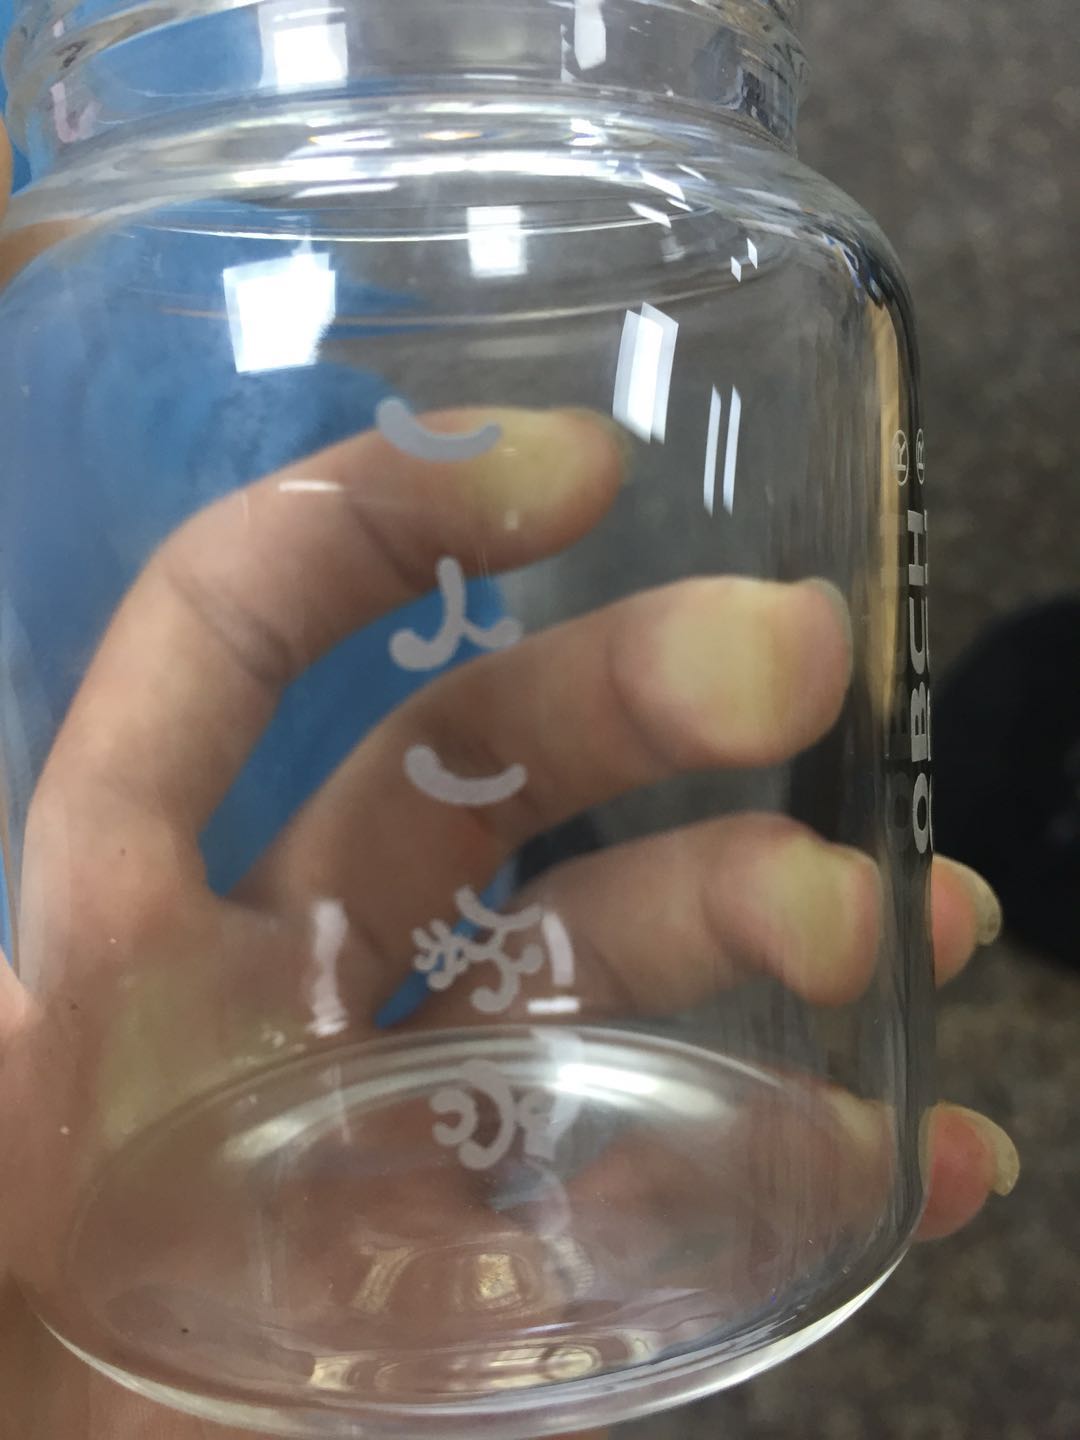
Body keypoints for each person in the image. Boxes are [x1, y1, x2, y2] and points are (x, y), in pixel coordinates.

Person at [0, 119, 1018, 1440]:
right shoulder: (65, 310)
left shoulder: (796, 268)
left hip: (396, 854)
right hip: (168, 1027)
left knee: (542, 836)